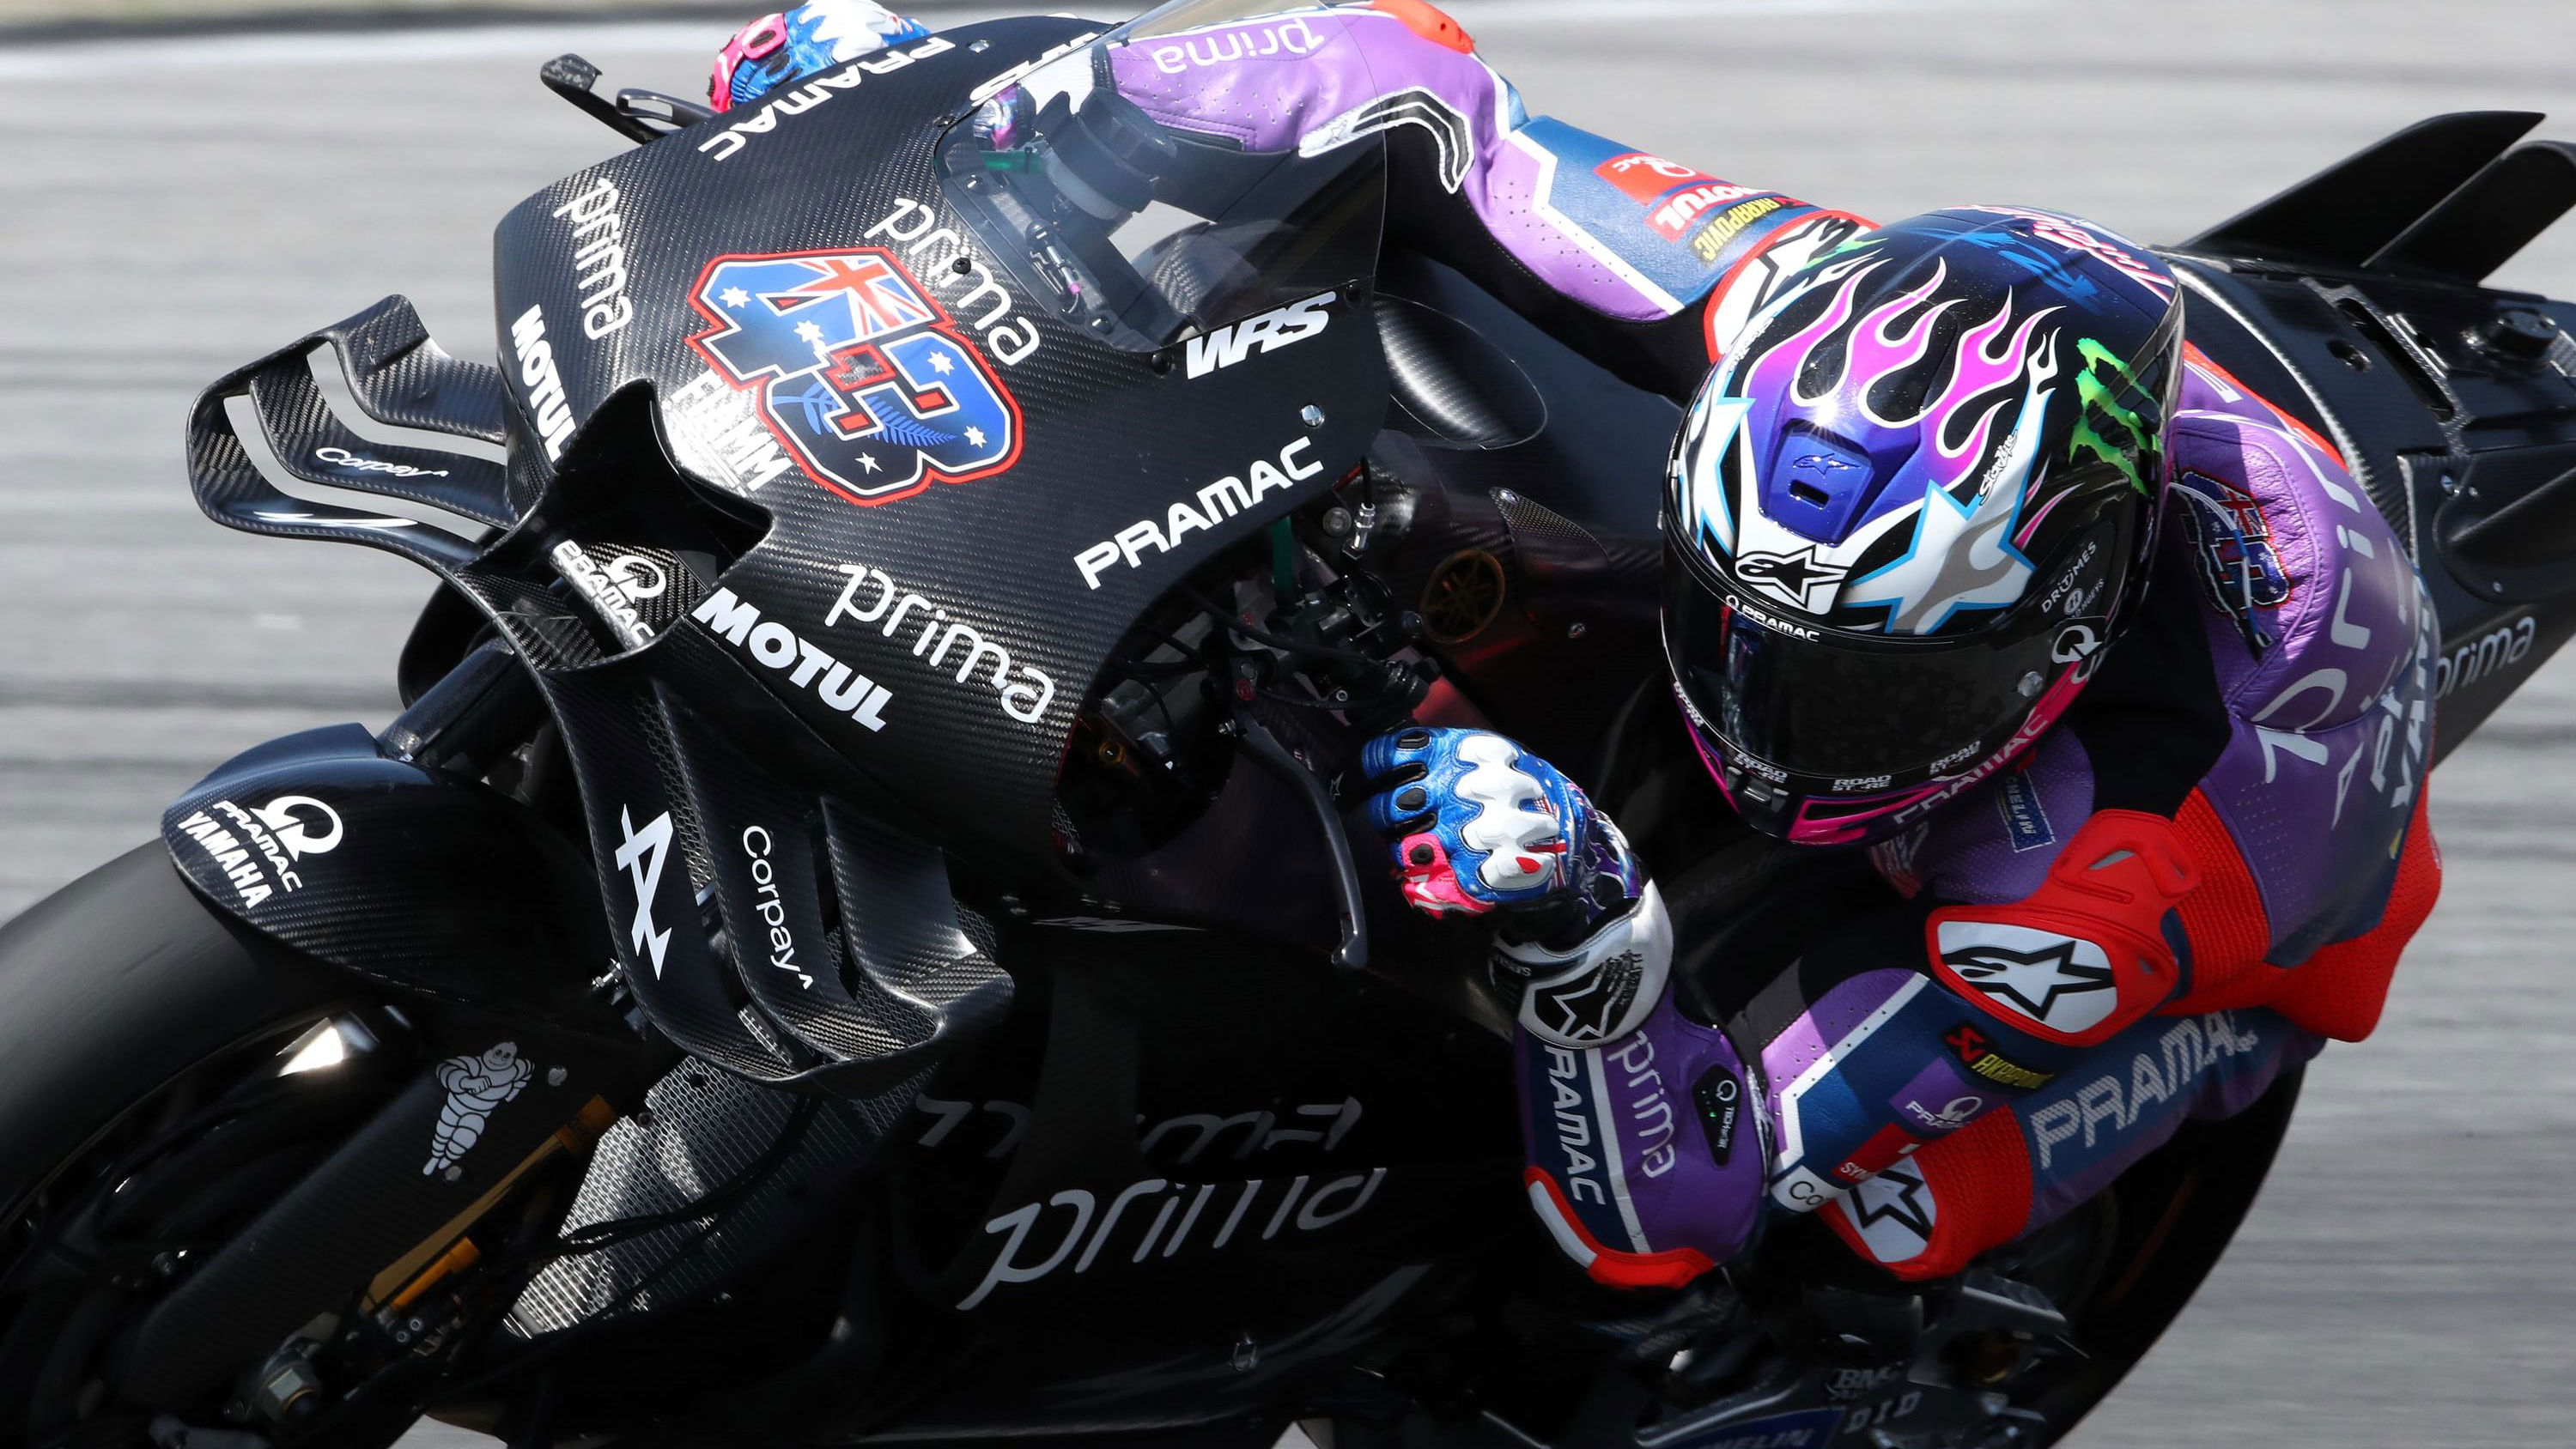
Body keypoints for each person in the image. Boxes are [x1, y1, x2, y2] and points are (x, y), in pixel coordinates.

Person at [707, 0, 2441, 1286]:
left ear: (2053, 630)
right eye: (1751, 629)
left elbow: (1692, 1197)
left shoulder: (2121, 865)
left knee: (1882, 1216)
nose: (1780, 722)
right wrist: (978, 105)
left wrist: (1603, 955)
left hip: (2246, 884)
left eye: (1870, 687)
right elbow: (1407, 85)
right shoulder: (1770, 291)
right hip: (2038, 366)